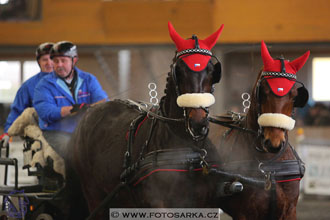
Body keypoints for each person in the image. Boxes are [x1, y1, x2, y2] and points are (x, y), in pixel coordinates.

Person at [33, 41, 108, 157]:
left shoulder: (89, 79)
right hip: (55, 132)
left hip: (85, 131)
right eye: (56, 61)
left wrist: (88, 108)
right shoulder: (44, 84)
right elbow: (45, 111)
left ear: (74, 60)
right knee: (73, 154)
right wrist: (72, 109)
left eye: (63, 61)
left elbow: (102, 102)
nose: (59, 65)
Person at [0, 42, 54, 147]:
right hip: (37, 137)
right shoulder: (28, 86)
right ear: (39, 62)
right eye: (44, 60)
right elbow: (17, 111)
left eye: (51, 59)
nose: (49, 63)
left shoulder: (67, 83)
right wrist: (8, 133)